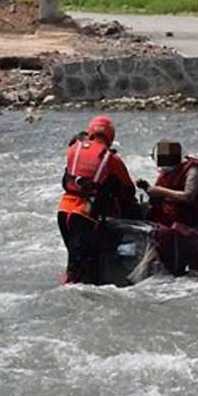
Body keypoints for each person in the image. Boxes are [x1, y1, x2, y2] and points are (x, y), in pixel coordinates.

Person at [57, 115, 138, 284]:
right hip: (85, 215)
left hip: (63, 211)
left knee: (74, 260)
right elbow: (128, 189)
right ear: (110, 136)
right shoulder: (111, 159)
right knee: (89, 264)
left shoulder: (74, 149)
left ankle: (68, 284)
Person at [136, 140, 198, 229]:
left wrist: (161, 191)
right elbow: (159, 196)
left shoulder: (192, 169)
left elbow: (189, 196)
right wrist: (147, 188)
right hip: (164, 215)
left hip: (188, 218)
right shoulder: (167, 171)